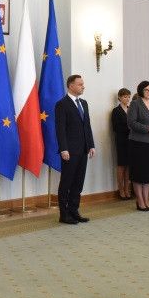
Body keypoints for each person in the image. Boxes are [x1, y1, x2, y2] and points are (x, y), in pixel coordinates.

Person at [55, 75, 96, 223]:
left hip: (83, 149)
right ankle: (64, 214)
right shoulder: (62, 104)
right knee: (67, 182)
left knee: (78, 183)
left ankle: (74, 211)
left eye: (83, 84)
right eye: (80, 84)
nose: (83, 87)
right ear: (71, 85)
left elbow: (87, 126)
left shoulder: (83, 103)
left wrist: (91, 145)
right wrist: (63, 149)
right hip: (69, 151)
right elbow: (60, 129)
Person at [127, 80, 149, 212]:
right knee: (139, 173)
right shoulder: (135, 104)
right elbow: (131, 123)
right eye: (147, 90)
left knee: (148, 174)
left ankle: (146, 201)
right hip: (138, 143)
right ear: (141, 90)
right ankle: (140, 202)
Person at [111, 88, 132, 199]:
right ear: (119, 97)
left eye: (128, 96)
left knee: (128, 166)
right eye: (125, 96)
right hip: (121, 140)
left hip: (131, 140)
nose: (127, 99)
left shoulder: (131, 109)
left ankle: (127, 189)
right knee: (121, 165)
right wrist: (128, 127)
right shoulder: (116, 110)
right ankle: (121, 190)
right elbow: (115, 127)